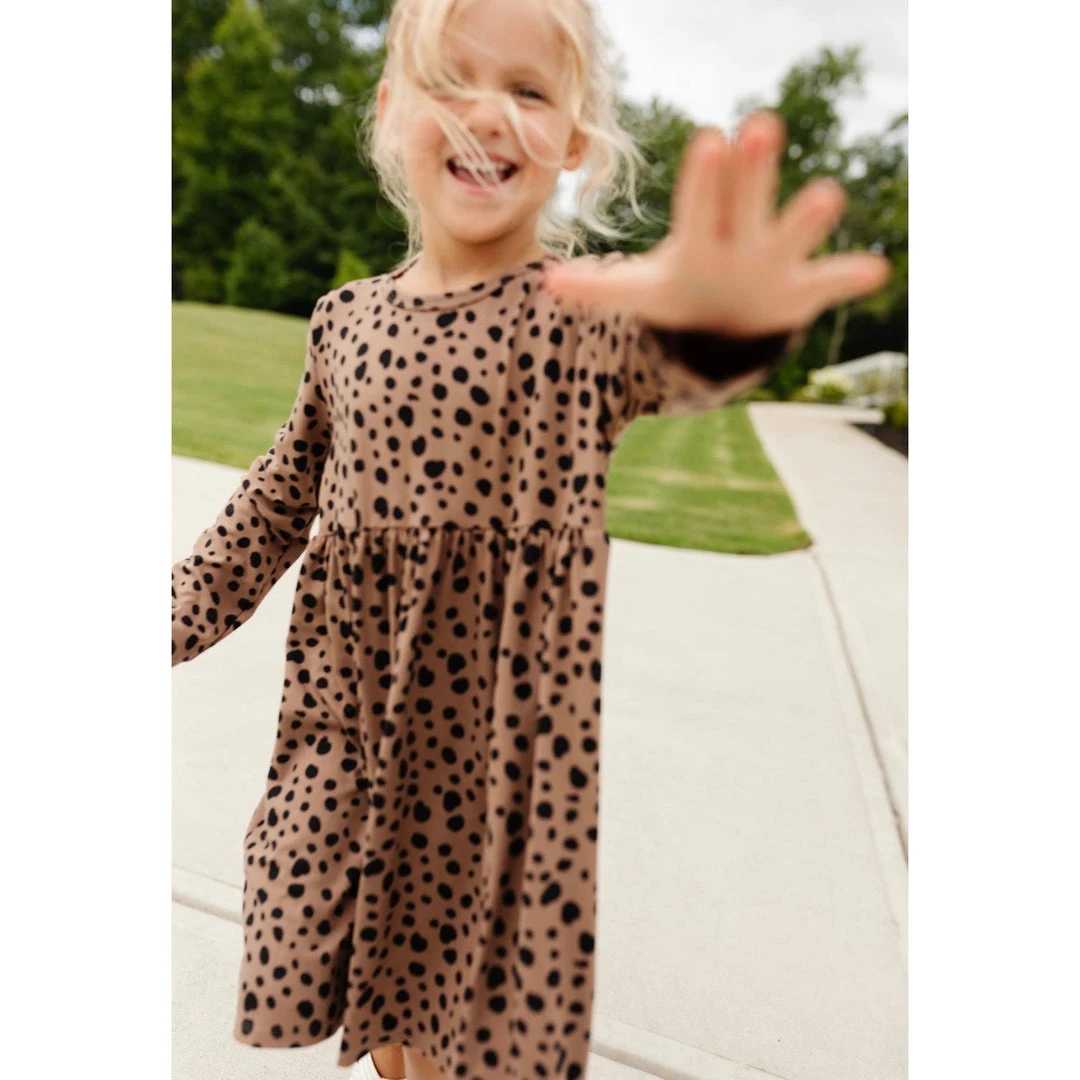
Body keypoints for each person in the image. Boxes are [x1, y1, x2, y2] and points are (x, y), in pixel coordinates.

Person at [171, 0, 891, 1077]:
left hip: (492, 762)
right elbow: (279, 499)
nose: (487, 115)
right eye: (450, 81)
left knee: (466, 1020)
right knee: (367, 993)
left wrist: (727, 319)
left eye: (528, 90)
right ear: (390, 111)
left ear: (578, 140)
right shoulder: (343, 321)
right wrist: (167, 613)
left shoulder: (579, 318)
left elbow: (679, 358)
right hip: (345, 726)